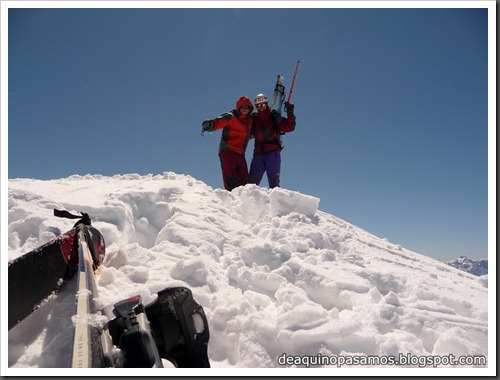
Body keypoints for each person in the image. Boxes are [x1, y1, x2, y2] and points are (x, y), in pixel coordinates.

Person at [202, 96, 255, 191]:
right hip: (228, 151)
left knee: (245, 180)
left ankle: (244, 199)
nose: (244, 110)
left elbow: (254, 129)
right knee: (231, 177)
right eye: (242, 107)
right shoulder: (232, 116)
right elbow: (219, 122)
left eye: (247, 108)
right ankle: (232, 198)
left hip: (240, 154)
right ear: (238, 108)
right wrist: (211, 125)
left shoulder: (249, 121)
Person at [249, 93, 296, 188]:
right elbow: (247, 132)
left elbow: (289, 127)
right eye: (258, 105)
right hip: (258, 154)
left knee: (274, 183)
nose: (261, 107)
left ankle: (275, 201)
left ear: (266, 104)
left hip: (272, 152)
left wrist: (290, 112)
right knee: (251, 184)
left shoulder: (273, 116)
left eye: (263, 104)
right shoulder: (254, 119)